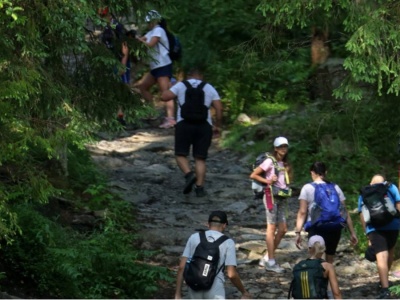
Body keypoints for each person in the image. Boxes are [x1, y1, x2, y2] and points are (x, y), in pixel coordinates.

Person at [161, 67, 222, 197]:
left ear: (189, 76)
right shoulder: (209, 87)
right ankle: (199, 188)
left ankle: (189, 174)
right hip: (204, 125)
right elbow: (218, 108)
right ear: (201, 76)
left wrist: (170, 86)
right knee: (200, 158)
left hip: (184, 124)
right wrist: (217, 126)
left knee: (180, 154)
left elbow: (164, 97)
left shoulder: (181, 85)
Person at [175, 211, 251, 299]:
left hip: (194, 286)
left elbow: (181, 267)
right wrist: (244, 292)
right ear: (224, 225)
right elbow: (231, 274)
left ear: (208, 224)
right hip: (215, 289)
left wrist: (178, 294)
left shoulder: (194, 237)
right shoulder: (228, 242)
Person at [295, 162, 358, 265]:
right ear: (326, 172)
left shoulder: (307, 188)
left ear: (312, 173)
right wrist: (352, 232)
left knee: (316, 258)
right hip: (334, 227)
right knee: (329, 259)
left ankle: (318, 280)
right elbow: (344, 211)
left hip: (316, 227)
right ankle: (329, 280)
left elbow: (302, 212)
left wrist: (298, 233)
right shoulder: (335, 187)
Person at [249, 136, 292, 273]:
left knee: (283, 229)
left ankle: (267, 257)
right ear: (275, 148)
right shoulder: (269, 161)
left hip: (282, 197)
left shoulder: (284, 164)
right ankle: (271, 261)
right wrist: (268, 181)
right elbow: (253, 175)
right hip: (271, 196)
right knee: (271, 228)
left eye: (285, 147)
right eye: (280, 147)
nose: (283, 149)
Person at [358, 174, 400, 299]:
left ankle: (385, 289)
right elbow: (398, 204)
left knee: (381, 256)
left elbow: (362, 213)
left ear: (371, 182)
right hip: (393, 225)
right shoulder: (391, 187)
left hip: (374, 228)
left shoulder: (365, 191)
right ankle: (384, 281)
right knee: (390, 251)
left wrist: (366, 232)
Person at [136, 10, 176, 129]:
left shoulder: (159, 30)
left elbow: (150, 44)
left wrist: (140, 41)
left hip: (163, 65)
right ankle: (152, 112)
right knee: (143, 87)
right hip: (155, 66)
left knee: (165, 92)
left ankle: (171, 119)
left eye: (149, 21)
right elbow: (143, 40)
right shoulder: (151, 32)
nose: (148, 23)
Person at [99, 7, 131, 126]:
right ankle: (115, 115)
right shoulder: (105, 27)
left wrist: (123, 64)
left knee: (121, 88)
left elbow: (125, 46)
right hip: (111, 61)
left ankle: (121, 116)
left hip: (119, 60)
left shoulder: (116, 26)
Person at [290, 235, 342, 299]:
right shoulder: (328, 266)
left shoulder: (299, 265)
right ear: (323, 249)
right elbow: (336, 293)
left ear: (309, 248)